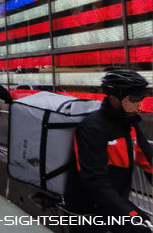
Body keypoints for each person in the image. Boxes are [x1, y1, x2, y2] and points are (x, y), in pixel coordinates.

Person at [64, 70, 153, 232]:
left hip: (114, 201)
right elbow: (95, 180)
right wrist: (130, 215)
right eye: (134, 100)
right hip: (88, 209)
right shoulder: (92, 129)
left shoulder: (129, 124)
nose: (139, 106)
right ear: (114, 98)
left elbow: (149, 161)